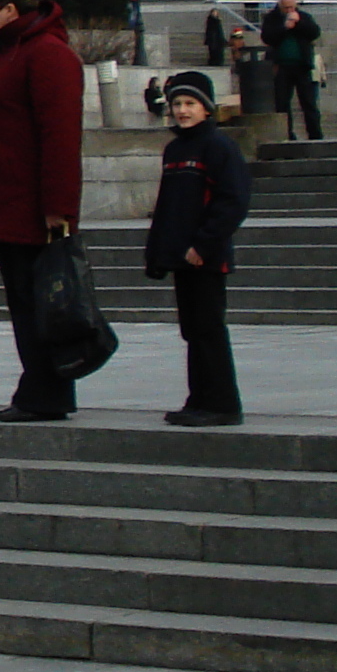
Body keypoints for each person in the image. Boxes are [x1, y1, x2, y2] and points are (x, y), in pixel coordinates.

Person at [0, 0, 89, 423]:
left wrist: (59, 208)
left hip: (32, 208)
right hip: (4, 201)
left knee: (40, 303)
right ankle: (43, 386)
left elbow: (60, 138)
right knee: (25, 301)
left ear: (9, 9)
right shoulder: (6, 56)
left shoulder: (48, 56)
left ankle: (46, 389)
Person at [144, 70, 249, 429]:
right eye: (177, 104)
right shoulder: (174, 149)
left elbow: (232, 202)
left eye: (190, 104)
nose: (183, 111)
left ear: (207, 109)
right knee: (192, 330)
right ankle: (199, 398)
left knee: (208, 328)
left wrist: (204, 243)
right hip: (180, 255)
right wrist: (158, 252)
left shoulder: (219, 146)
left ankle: (222, 402)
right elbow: (168, 207)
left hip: (206, 255)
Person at [260, 0, 323, 141]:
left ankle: (315, 135)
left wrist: (298, 23)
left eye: (292, 7)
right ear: (280, 6)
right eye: (286, 7)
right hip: (281, 66)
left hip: (302, 66)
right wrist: (284, 27)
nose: (289, 10)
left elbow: (314, 32)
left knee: (308, 103)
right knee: (282, 104)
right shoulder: (272, 19)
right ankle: (286, 135)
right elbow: (267, 38)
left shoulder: (304, 17)